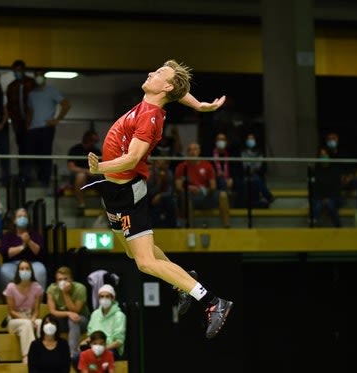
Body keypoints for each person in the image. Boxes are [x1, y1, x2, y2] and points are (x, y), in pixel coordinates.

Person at [85, 59, 233, 339]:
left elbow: (132, 158)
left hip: (128, 192)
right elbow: (178, 90)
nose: (151, 72)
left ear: (164, 87)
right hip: (114, 193)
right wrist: (200, 105)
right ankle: (182, 281)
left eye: (158, 73)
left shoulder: (149, 117)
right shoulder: (154, 100)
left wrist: (99, 168)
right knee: (133, 253)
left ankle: (212, 301)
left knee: (144, 262)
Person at [25, 69, 71, 191]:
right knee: (31, 155)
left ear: (44, 77)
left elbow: (66, 104)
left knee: (45, 154)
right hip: (33, 129)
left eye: (40, 75)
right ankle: (31, 179)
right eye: (36, 75)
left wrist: (57, 119)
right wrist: (28, 125)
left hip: (46, 128)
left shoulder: (52, 91)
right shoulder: (31, 94)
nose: (38, 77)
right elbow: (30, 111)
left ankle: (44, 181)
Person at [174, 142, 231, 228]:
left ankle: (226, 226)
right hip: (191, 197)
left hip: (206, 196)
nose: (192, 152)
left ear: (199, 151)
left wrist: (202, 190)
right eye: (190, 150)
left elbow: (213, 186)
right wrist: (189, 189)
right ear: (187, 153)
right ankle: (190, 227)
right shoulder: (181, 167)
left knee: (223, 195)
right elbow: (178, 187)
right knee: (185, 197)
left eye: (195, 149)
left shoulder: (207, 165)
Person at [2, 259, 44, 364]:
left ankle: (43, 353)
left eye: (27, 268)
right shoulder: (11, 287)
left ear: (31, 271)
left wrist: (33, 319)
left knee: (41, 323)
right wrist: (28, 320)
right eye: (22, 269)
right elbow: (11, 311)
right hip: (14, 319)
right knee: (26, 324)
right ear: (18, 271)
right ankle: (28, 356)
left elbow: (37, 311)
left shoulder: (37, 287)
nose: (24, 271)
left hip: (31, 316)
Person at [46, 266, 90, 362]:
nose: (62, 282)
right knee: (47, 322)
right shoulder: (52, 289)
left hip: (81, 320)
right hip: (63, 318)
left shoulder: (80, 288)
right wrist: (68, 313)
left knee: (73, 319)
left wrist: (65, 293)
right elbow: (52, 311)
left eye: (65, 279)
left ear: (71, 280)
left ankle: (73, 354)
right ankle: (47, 354)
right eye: (59, 280)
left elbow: (76, 311)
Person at [0, 207, 47, 291]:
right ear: (14, 220)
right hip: (12, 264)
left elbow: (40, 252)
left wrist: (29, 241)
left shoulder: (34, 234)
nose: (22, 218)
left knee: (41, 269)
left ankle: (39, 298)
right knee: (4, 271)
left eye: (25, 216)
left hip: (32, 263)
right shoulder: (8, 235)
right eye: (19, 216)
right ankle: (9, 299)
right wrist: (22, 247)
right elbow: (5, 252)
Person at [6, 59, 36, 172]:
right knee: (22, 148)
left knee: (32, 148)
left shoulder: (31, 83)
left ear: (23, 70)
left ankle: (31, 173)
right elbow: (10, 106)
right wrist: (13, 121)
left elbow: (35, 103)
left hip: (33, 122)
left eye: (18, 70)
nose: (16, 73)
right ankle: (22, 172)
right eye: (14, 71)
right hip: (18, 122)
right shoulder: (12, 86)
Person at [80, 284, 125, 359]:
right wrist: (84, 342)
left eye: (107, 296)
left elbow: (119, 341)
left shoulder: (119, 315)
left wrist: (103, 349)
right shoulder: (95, 314)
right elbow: (90, 335)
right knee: (76, 358)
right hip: (94, 347)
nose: (104, 299)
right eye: (102, 296)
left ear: (113, 298)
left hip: (111, 348)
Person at [67, 129, 102, 210]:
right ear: (85, 139)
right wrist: (86, 171)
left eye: (95, 141)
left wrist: (94, 172)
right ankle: (81, 205)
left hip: (93, 176)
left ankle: (106, 207)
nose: (93, 143)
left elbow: (100, 167)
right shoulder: (75, 149)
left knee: (107, 179)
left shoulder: (96, 151)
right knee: (81, 176)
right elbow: (71, 167)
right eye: (91, 140)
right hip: (78, 175)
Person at [238, 132, 274, 208]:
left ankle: (264, 199)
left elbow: (258, 165)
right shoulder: (243, 152)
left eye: (252, 138)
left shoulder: (259, 152)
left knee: (255, 178)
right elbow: (245, 165)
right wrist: (251, 168)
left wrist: (252, 168)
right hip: (245, 174)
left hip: (256, 173)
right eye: (249, 138)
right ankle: (268, 196)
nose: (250, 140)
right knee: (255, 179)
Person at [310, 148, 343, 227]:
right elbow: (314, 188)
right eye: (321, 155)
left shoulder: (335, 169)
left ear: (329, 156)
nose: (323, 157)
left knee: (330, 204)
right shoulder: (315, 170)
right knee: (317, 205)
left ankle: (338, 226)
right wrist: (323, 198)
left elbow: (337, 187)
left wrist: (328, 198)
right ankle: (312, 225)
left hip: (334, 197)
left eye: (325, 155)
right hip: (319, 197)